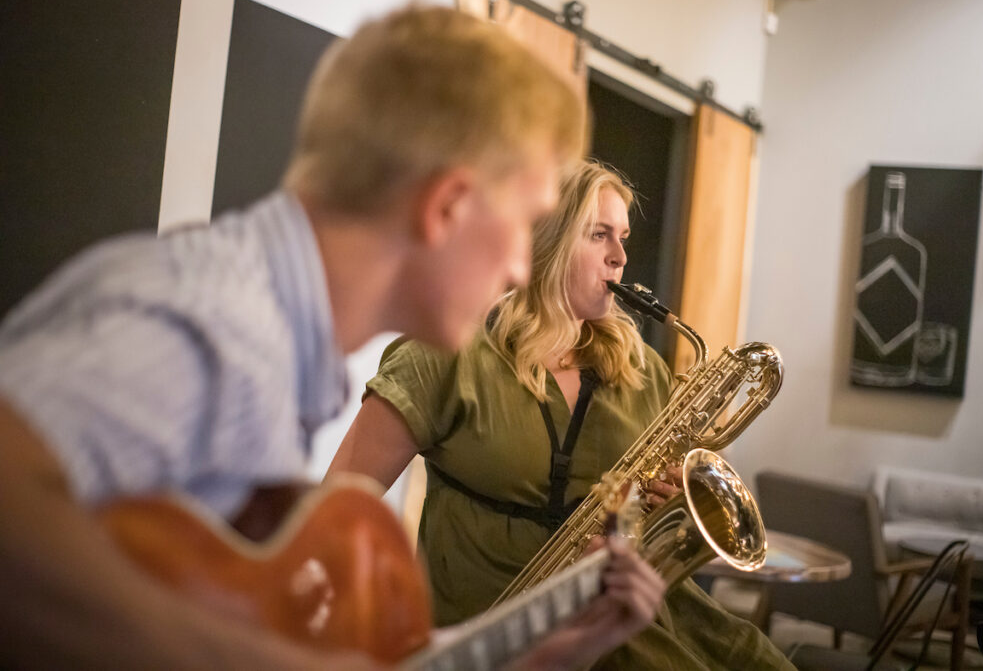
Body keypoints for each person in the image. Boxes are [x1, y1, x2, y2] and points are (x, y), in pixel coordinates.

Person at [0, 7, 665, 669]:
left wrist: (546, 652)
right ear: (446, 208)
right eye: (524, 222)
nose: (523, 265)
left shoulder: (277, 353)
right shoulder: (220, 324)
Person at [330, 160, 797, 669]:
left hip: (633, 611)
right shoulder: (445, 354)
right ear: (547, 242)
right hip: (506, 632)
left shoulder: (646, 371)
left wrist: (666, 502)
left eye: (623, 237)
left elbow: (649, 505)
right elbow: (333, 506)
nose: (620, 257)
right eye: (599, 235)